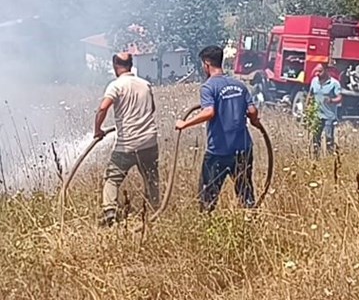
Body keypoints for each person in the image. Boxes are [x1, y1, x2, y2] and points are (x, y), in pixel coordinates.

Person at [175, 45, 263, 213]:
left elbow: (209, 112)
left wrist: (184, 124)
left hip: (219, 152)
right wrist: (254, 121)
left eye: (202, 64)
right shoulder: (239, 85)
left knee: (208, 195)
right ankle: (252, 220)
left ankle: (206, 226)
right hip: (243, 149)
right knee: (245, 191)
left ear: (207, 64)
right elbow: (252, 111)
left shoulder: (208, 87)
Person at [93, 52, 160, 227]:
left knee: (112, 179)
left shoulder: (116, 86)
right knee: (151, 177)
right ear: (131, 65)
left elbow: (103, 108)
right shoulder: (145, 84)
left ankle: (110, 214)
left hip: (127, 144)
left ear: (115, 66)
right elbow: (152, 108)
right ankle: (155, 209)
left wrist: (98, 129)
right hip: (150, 142)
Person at [308, 64, 342, 157]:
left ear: (326, 70)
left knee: (329, 138)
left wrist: (331, 100)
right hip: (317, 115)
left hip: (329, 116)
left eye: (320, 71)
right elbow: (310, 95)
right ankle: (316, 157)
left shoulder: (334, 83)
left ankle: (330, 158)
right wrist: (308, 108)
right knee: (315, 138)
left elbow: (340, 98)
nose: (317, 74)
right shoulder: (314, 81)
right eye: (316, 71)